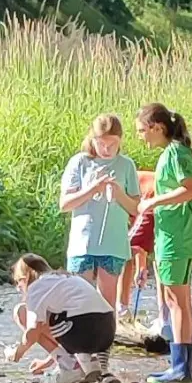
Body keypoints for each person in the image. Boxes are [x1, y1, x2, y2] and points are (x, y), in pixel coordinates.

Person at [135, 103, 192, 383]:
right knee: (179, 302)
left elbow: (191, 189)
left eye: (142, 131)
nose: (140, 136)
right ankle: (181, 366)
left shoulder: (175, 153)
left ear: (157, 128)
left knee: (176, 302)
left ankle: (180, 368)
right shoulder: (172, 153)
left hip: (176, 237)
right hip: (173, 236)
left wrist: (153, 201)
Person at [60, 114, 140, 308]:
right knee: (79, 298)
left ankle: (107, 338)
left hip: (113, 242)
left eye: (112, 144)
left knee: (107, 302)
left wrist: (119, 193)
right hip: (83, 242)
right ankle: (80, 338)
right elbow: (65, 204)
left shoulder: (126, 165)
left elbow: (136, 208)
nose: (106, 149)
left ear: (120, 140)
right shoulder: (80, 162)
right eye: (101, 143)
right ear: (92, 140)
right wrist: (93, 189)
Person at [8, 254, 120, 383]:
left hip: (81, 330)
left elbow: (32, 330)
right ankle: (87, 364)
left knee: (21, 312)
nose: (18, 289)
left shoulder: (36, 287)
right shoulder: (66, 278)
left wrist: (18, 351)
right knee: (55, 316)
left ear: (25, 278)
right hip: (107, 331)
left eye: (18, 283)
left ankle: (70, 367)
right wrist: (47, 362)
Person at [119, 170, 156, 322]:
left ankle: (121, 308)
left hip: (151, 200)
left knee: (124, 249)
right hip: (159, 203)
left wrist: (141, 266)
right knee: (128, 248)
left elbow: (134, 240)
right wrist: (141, 267)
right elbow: (140, 242)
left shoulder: (126, 186)